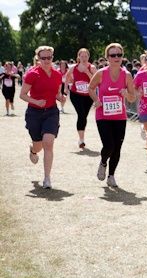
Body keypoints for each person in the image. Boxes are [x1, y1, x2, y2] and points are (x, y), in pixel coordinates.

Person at [88, 43, 135, 187]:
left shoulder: (126, 75)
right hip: (103, 115)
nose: (116, 58)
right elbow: (90, 88)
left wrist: (127, 94)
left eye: (119, 55)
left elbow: (133, 97)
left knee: (117, 148)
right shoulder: (101, 73)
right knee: (109, 145)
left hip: (119, 116)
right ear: (107, 57)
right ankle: (103, 162)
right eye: (113, 55)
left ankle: (111, 175)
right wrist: (96, 100)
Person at [19, 46, 66, 189]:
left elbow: (57, 94)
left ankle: (47, 178)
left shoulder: (57, 75)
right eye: (43, 58)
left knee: (48, 142)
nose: (46, 60)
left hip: (51, 112)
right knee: (38, 145)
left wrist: (61, 98)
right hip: (34, 113)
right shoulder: (32, 74)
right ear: (38, 59)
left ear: (53, 58)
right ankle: (33, 150)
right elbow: (22, 95)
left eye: (49, 57)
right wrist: (36, 102)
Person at [66, 48, 97, 148]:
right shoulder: (73, 67)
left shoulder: (92, 67)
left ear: (88, 57)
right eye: (82, 56)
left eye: (86, 56)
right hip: (76, 95)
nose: (84, 58)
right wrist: (66, 88)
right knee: (81, 114)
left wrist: (87, 72)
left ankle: (81, 138)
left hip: (88, 96)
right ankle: (81, 140)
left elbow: (96, 80)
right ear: (78, 56)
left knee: (84, 116)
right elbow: (67, 76)